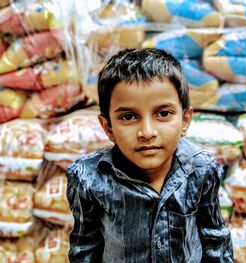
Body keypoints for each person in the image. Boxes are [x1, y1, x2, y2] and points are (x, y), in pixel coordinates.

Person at [66, 48, 233, 262]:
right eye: (128, 117)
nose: (147, 132)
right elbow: (85, 248)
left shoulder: (202, 170)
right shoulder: (89, 179)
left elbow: (215, 240)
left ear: (185, 120)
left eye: (163, 114)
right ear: (108, 127)